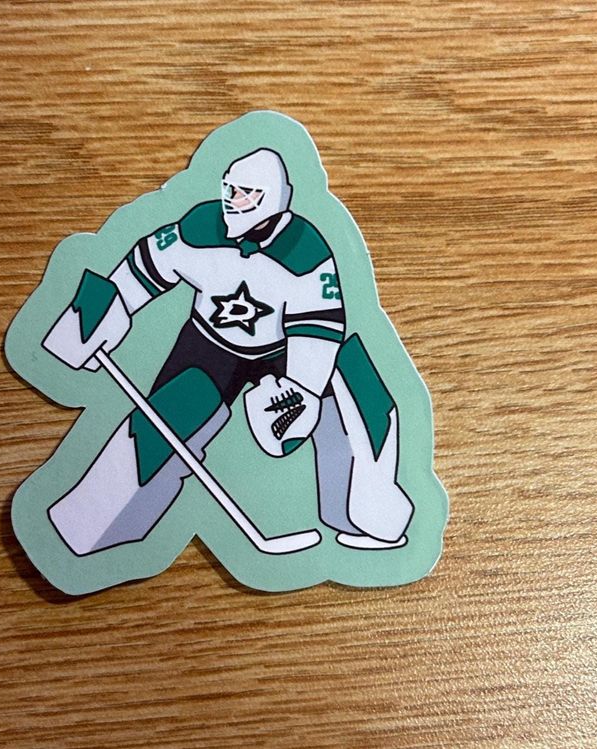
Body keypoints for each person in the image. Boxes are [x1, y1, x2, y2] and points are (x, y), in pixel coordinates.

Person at [42, 149, 413, 555]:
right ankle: (90, 526)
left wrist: (303, 390)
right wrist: (95, 316)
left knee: (352, 383)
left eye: (246, 193)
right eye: (231, 191)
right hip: (209, 347)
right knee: (168, 418)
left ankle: (370, 515)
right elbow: (145, 267)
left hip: (283, 351)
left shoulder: (306, 252)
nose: (234, 202)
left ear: (273, 197)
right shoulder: (202, 227)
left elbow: (318, 328)